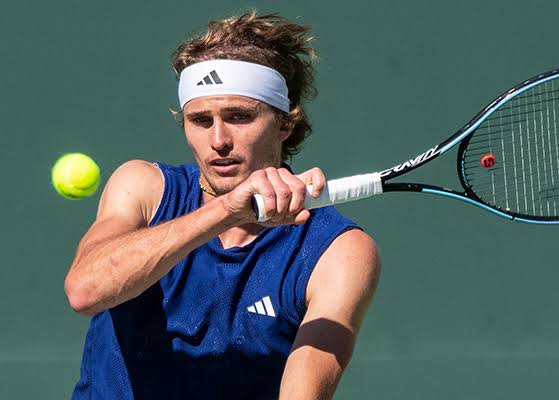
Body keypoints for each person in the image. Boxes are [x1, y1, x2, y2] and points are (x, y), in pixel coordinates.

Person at [64, 12, 380, 400]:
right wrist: (227, 210)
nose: (218, 140)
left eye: (239, 117)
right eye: (200, 120)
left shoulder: (339, 252)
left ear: (285, 123)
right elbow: (85, 291)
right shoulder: (143, 187)